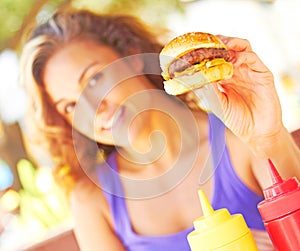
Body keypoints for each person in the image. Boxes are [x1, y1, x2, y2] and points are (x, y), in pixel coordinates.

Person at [20, 8, 300, 251]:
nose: (93, 110)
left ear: (132, 56)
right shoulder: (92, 202)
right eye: (70, 106)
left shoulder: (240, 135)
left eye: (94, 80)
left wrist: (270, 137)